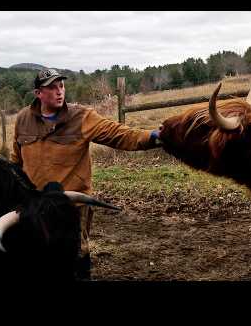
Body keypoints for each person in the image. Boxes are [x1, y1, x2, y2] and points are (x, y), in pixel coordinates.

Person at [10, 68, 162, 280]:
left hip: (71, 204)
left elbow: (119, 134)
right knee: (39, 255)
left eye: (61, 85)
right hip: (36, 204)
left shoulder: (81, 117)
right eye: (52, 87)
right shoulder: (23, 119)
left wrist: (152, 136)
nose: (59, 91)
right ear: (38, 94)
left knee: (76, 254)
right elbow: (16, 161)